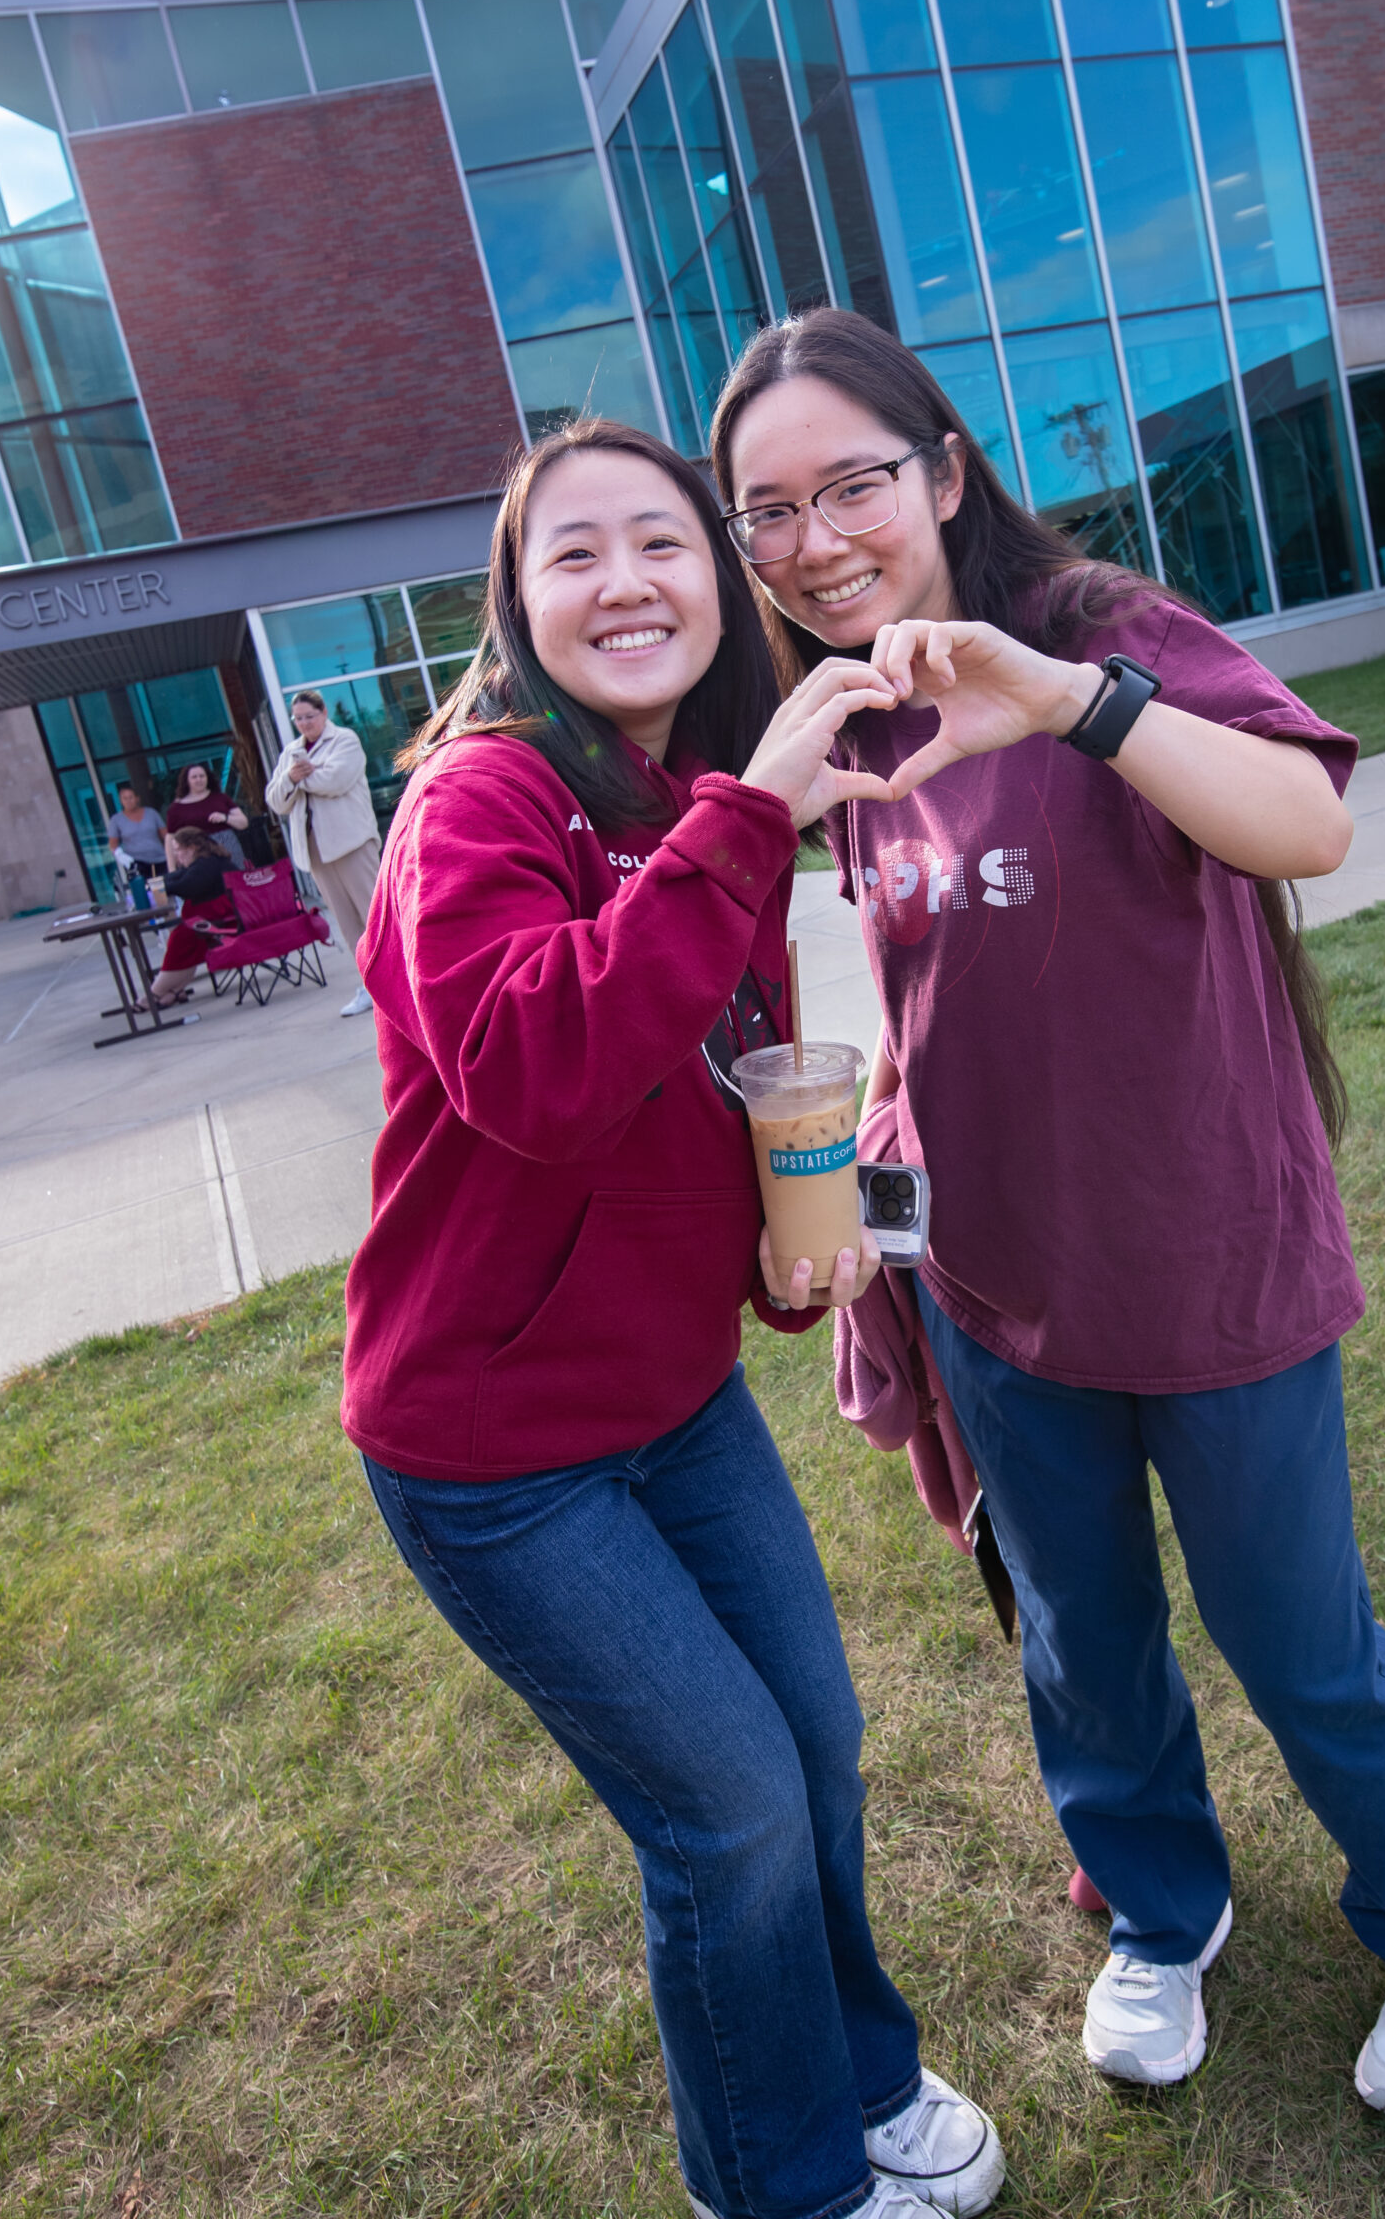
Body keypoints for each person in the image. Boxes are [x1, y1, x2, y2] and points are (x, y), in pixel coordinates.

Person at [709, 309, 1385, 2139]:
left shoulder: (1089, 636)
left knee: (1295, 1639)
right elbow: (927, 1007)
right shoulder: (847, 713)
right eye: (767, 511)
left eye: (850, 484)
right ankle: (1164, 1906)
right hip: (998, 1292)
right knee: (1076, 1641)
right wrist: (884, 1254)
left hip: (1206, 1259)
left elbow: (1302, 821)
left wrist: (1077, 702)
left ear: (944, 471)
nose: (815, 538)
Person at [343, 418, 1005, 2219]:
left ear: (717, 584)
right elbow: (540, 1068)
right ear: (516, 598)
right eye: (576, 552)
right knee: (726, 1814)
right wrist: (753, 822)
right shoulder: (474, 803)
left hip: (673, 1404)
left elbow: (720, 1080)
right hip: (496, 1457)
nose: (627, 581)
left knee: (814, 1754)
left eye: (664, 542)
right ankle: (775, 2185)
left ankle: (859, 2076)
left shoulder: (685, 804)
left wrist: (798, 1251)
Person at [266, 689, 379, 1018]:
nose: (304, 724)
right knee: (347, 923)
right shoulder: (292, 753)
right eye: (298, 719)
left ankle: (401, 977)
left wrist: (302, 777)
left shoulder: (345, 740)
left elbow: (336, 780)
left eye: (309, 717)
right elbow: (276, 800)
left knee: (374, 913)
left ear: (323, 713)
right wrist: (291, 777)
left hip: (351, 842)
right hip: (317, 850)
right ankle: (370, 986)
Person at [134, 827, 239, 1011]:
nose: (176, 855)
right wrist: (159, 882)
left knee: (182, 937)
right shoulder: (206, 862)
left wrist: (160, 887)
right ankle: (174, 991)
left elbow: (187, 886)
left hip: (225, 919)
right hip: (219, 917)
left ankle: (156, 993)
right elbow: (178, 877)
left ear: (192, 847)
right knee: (185, 936)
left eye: (178, 850)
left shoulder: (206, 864)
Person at [163, 761, 248, 868]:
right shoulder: (176, 808)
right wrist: (172, 869)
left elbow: (244, 822)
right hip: (197, 853)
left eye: (202, 776)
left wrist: (225, 818)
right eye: (194, 777)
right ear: (187, 781)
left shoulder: (220, 798)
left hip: (227, 847)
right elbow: (170, 838)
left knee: (235, 879)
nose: (199, 779)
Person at [104, 781, 166, 881]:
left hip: (160, 859)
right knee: (146, 892)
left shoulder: (151, 813)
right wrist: (120, 856)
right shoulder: (116, 820)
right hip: (137, 864)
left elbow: (165, 835)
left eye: (131, 797)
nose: (128, 801)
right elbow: (113, 844)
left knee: (165, 890)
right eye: (125, 798)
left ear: (137, 798)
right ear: (120, 800)